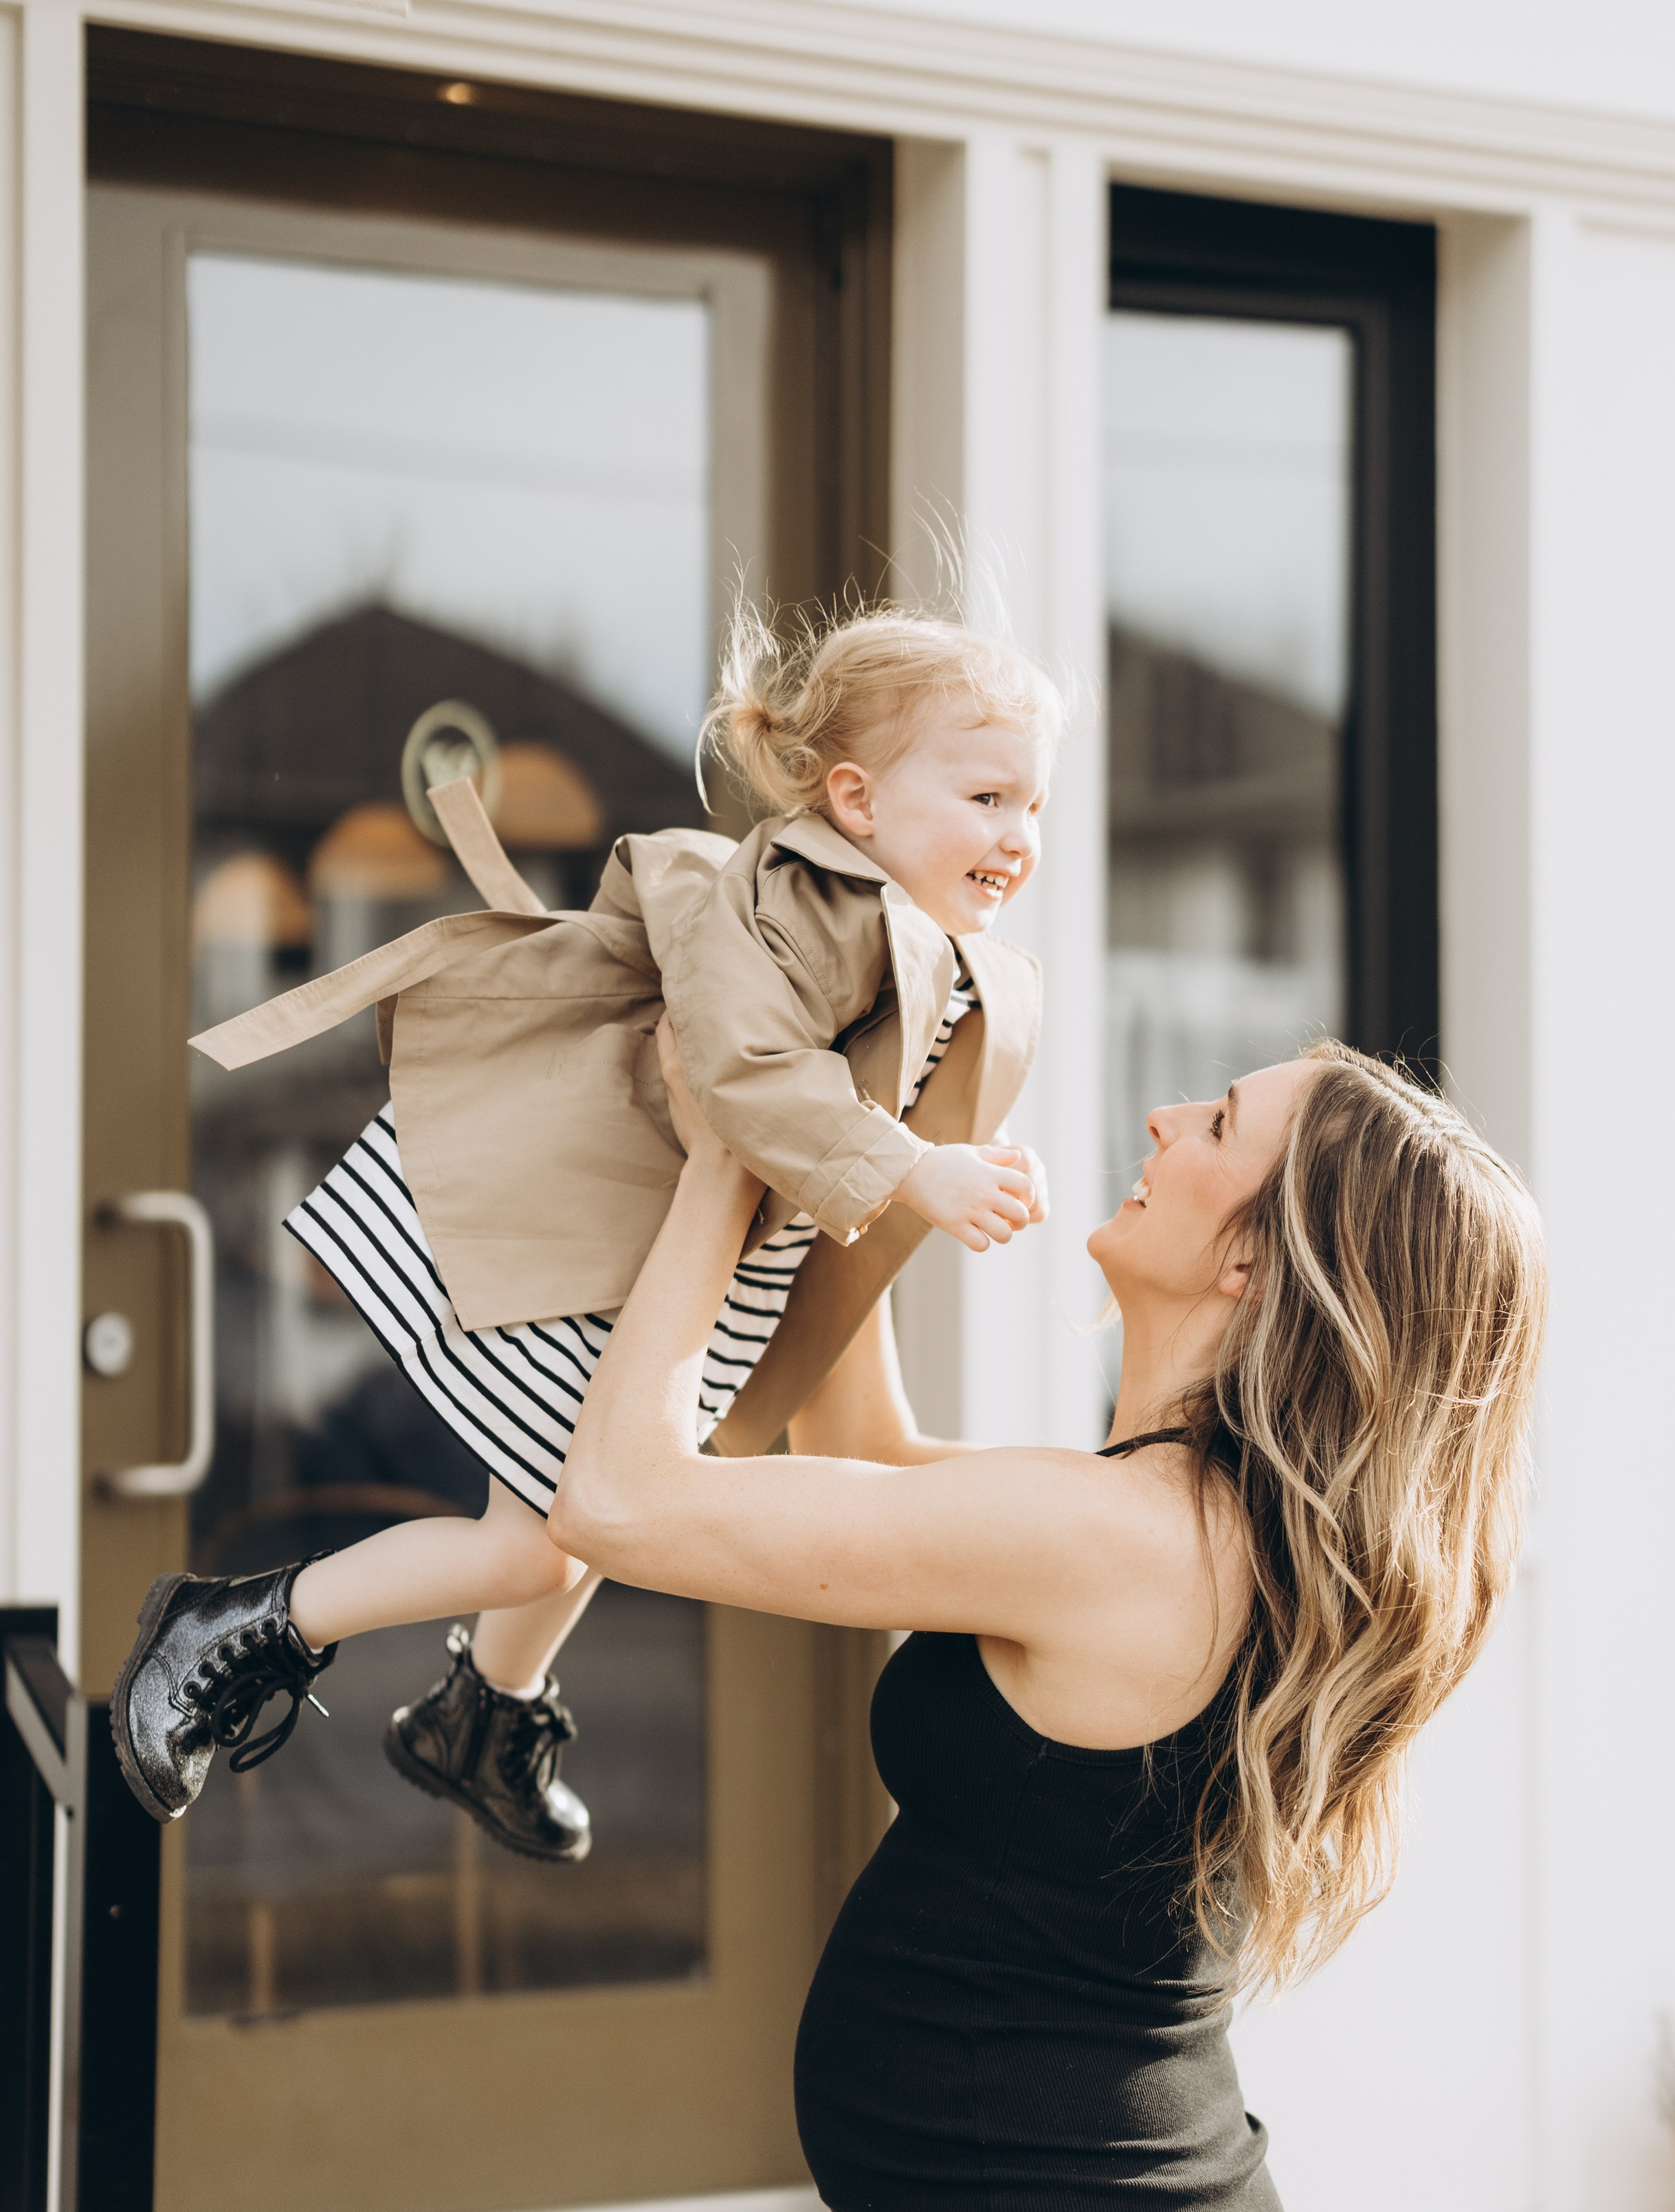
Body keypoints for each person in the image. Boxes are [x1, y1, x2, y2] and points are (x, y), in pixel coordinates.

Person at [546, 1023, 1548, 2212]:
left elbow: (620, 1505)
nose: (1158, 1120)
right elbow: (862, 1443)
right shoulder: (1167, 1521)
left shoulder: (1123, 1541)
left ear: (1253, 1266)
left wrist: (718, 1157)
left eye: (1213, 1123)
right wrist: (851, 1142)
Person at [109, 607, 1056, 1849]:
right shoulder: (804, 900)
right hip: (608, 1229)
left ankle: (483, 1714)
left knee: (587, 1504)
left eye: (1033, 807)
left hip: (704, 1247)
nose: (1018, 836)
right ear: (857, 801)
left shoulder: (910, 927)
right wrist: (918, 1168)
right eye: (987, 796)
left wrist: (941, 1158)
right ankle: (245, 1626)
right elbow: (739, 1063)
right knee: (549, 1539)